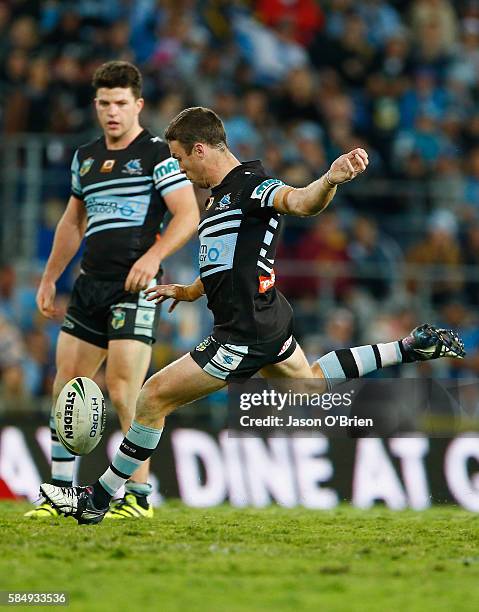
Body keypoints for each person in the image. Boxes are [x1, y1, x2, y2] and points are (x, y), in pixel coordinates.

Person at [39, 107, 465, 524]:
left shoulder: (253, 186)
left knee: (151, 398)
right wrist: (190, 291)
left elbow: (299, 201)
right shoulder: (220, 198)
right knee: (312, 385)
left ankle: (98, 497)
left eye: (181, 160)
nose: (181, 170)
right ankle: (409, 347)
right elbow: (227, 262)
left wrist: (329, 179)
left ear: (201, 149)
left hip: (243, 332)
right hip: (265, 320)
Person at [26, 64, 199, 520]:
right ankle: (59, 493)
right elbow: (72, 222)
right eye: (104, 103)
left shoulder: (158, 153)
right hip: (89, 284)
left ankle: (136, 496)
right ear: (96, 106)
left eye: (121, 103)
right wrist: (49, 278)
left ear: (138, 105)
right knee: (68, 385)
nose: (112, 112)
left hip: (136, 286)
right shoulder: (85, 157)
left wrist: (152, 257)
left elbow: (186, 214)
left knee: (124, 387)